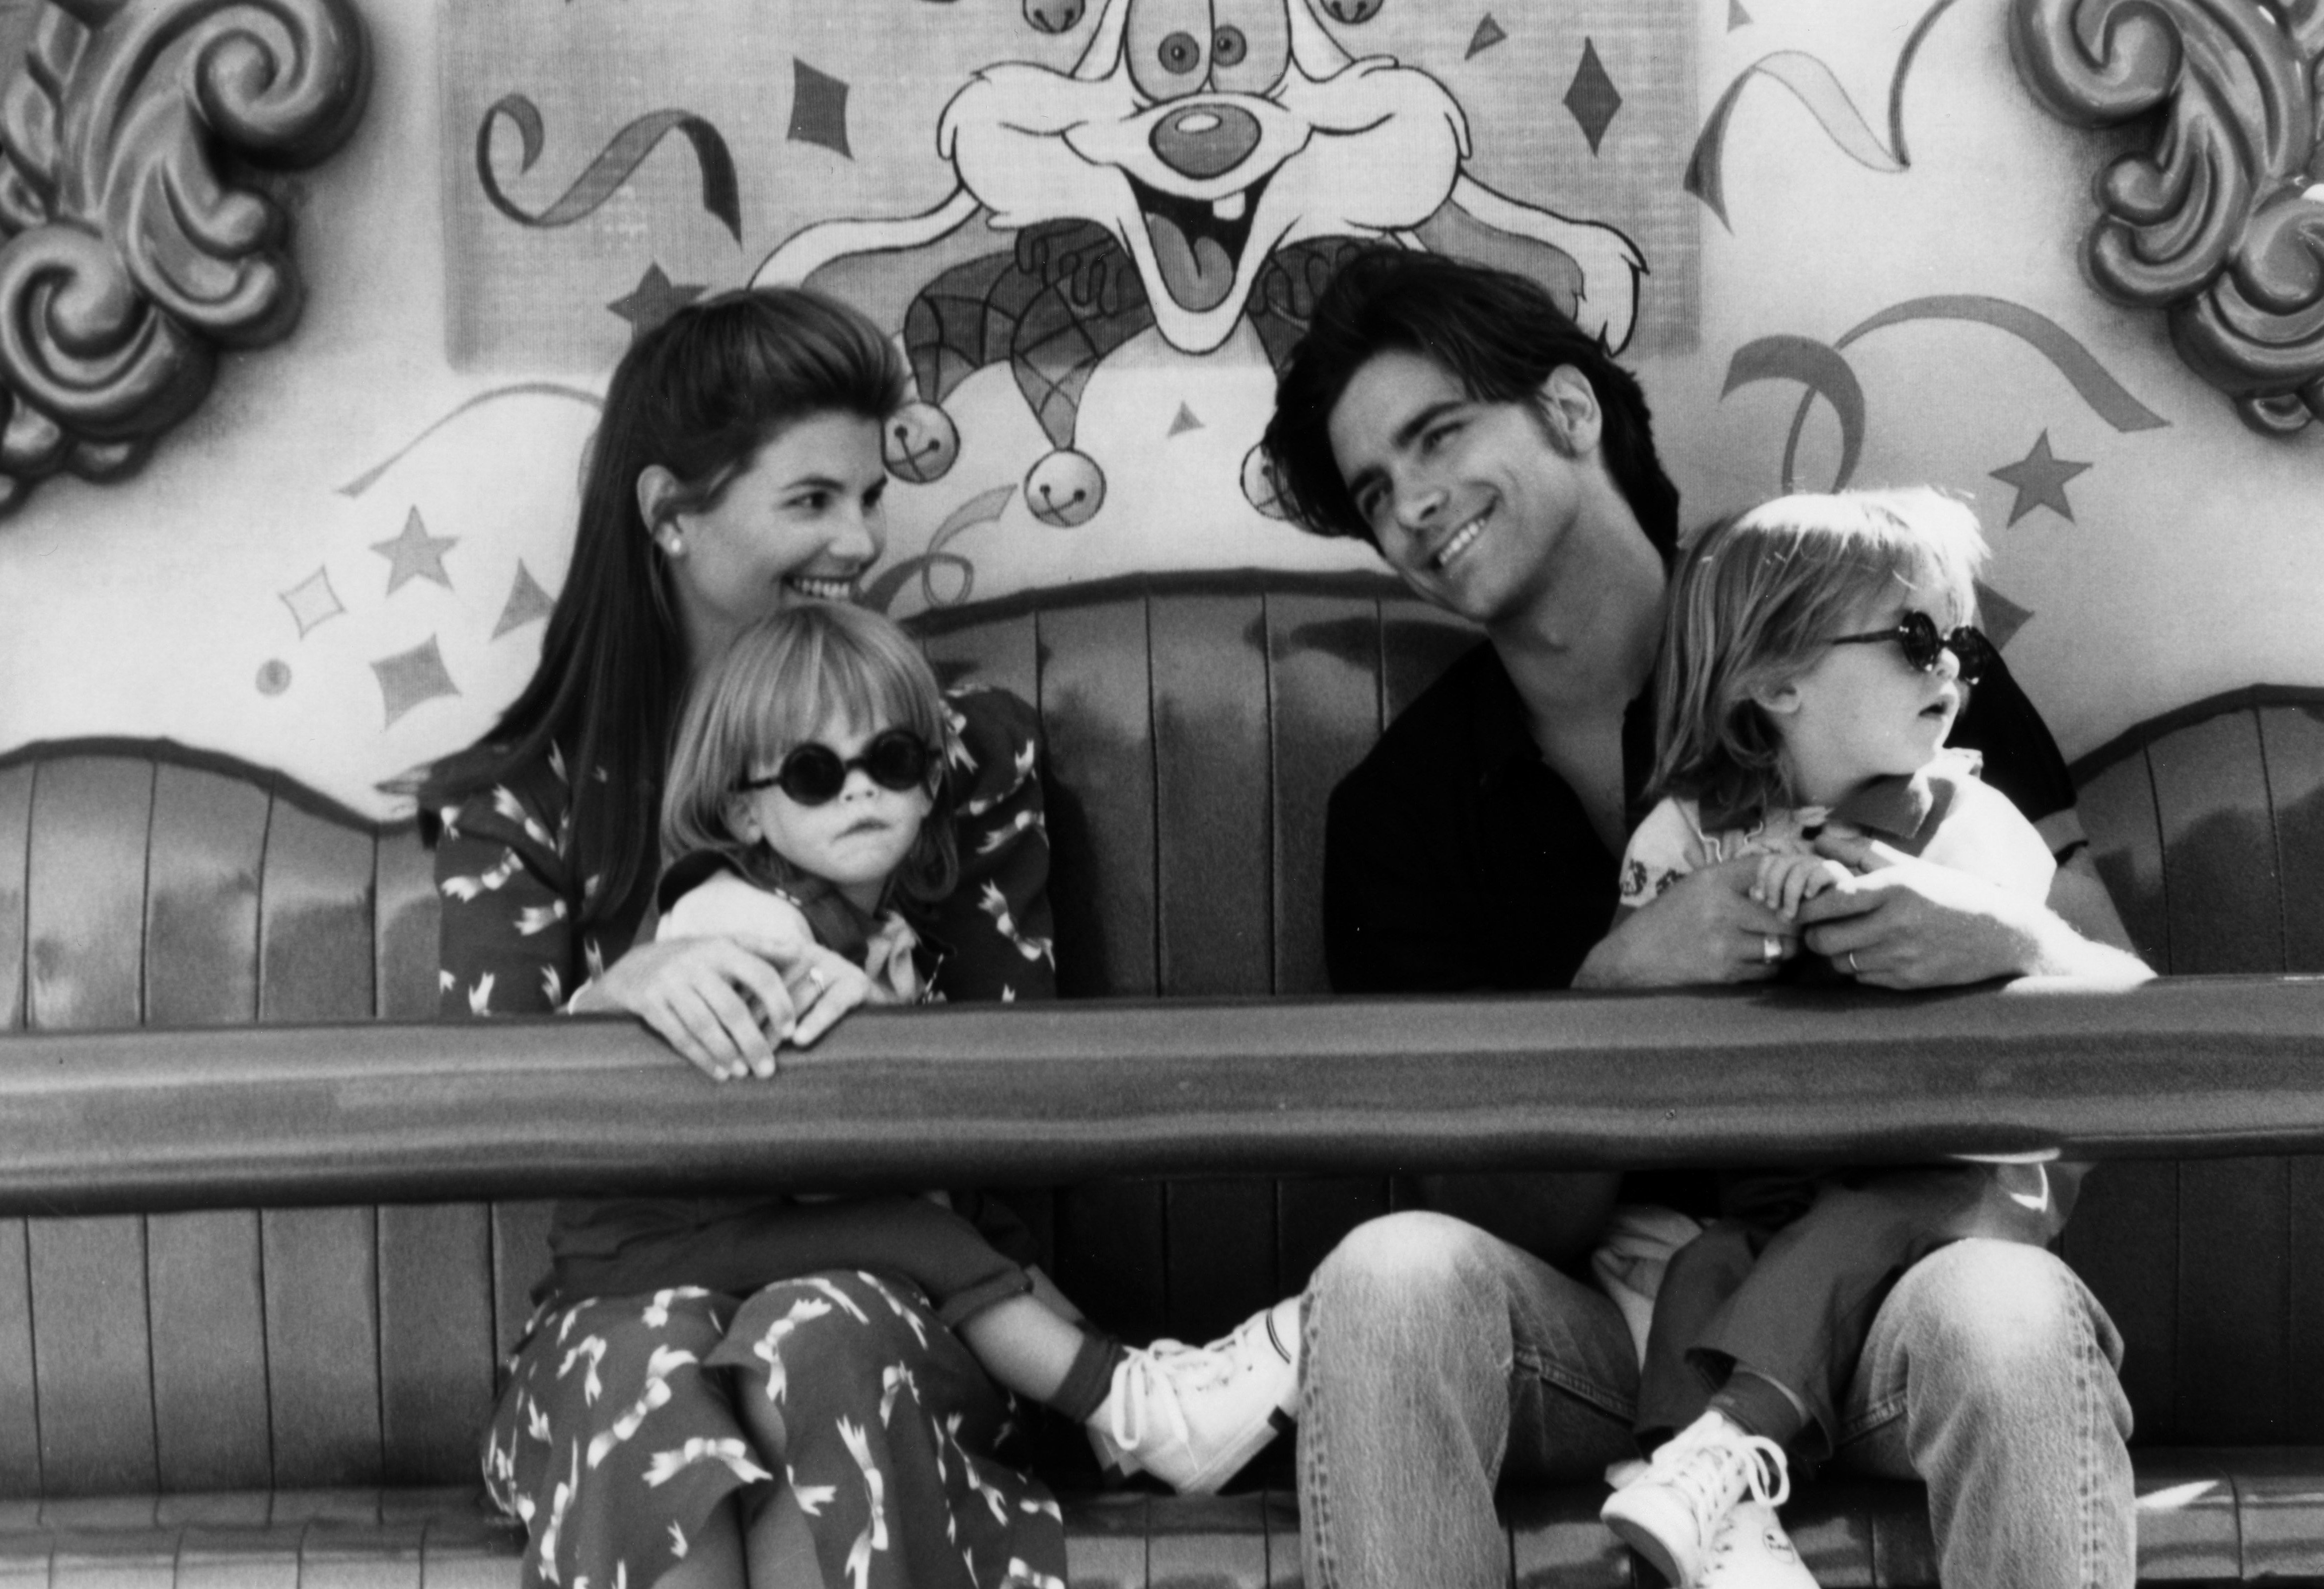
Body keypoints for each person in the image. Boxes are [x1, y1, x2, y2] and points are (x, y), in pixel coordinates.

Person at [1258, 249, 2149, 1589]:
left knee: (2008, 1309)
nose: (1413, 504)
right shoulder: (1397, 809)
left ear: (1568, 409)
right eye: (1375, 491)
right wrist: (1611, 997)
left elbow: (2133, 1016)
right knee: (1388, 1278)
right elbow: (1471, 1197)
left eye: (1437, 435)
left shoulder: (1877, 632)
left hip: (1886, 1298)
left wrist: (2006, 941)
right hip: (1607, 1330)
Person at [421, 287, 1065, 1589]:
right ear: (670, 512)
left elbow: (1025, 1082)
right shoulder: (527, 797)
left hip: (916, 1302)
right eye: (811, 499)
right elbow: (468, 1106)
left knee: (815, 1339)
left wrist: (874, 1013)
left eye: (869, 496)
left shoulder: (948, 748)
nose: (860, 539)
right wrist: (619, 991)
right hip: (627, 1311)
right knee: (633, 1372)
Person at [635, 598, 1302, 1496]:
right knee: (924, 1228)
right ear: (745, 812)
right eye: (812, 773)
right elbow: (815, 1159)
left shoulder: (874, 931)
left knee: (972, 1217)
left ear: (927, 784)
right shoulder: (740, 911)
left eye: (891, 760)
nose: (860, 790)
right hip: (659, 1244)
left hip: (753, 1230)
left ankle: (1126, 1399)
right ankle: (1137, 1410)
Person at [1600, 489, 2095, 1589]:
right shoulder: (1690, 835)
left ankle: (1731, 1443)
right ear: (1778, 681)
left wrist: (1839, 894)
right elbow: (1634, 1013)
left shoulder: (1968, 817)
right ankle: (1688, 1493)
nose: (1950, 666)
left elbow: (2004, 937)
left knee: (1849, 1227)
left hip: (1945, 1182)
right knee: (1704, 1261)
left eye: (1961, 642)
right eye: (1916, 638)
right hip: (1780, 1185)